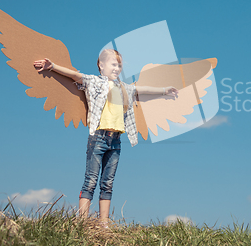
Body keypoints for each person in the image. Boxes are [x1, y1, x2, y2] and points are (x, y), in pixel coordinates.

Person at [33, 49, 178, 227]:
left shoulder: (124, 88)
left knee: (108, 183)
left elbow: (142, 89)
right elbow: (74, 75)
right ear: (101, 65)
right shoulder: (95, 82)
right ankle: (82, 221)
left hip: (116, 141)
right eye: (113, 64)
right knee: (91, 181)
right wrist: (53, 66)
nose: (117, 68)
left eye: (120, 65)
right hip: (98, 138)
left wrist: (164, 91)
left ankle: (104, 222)